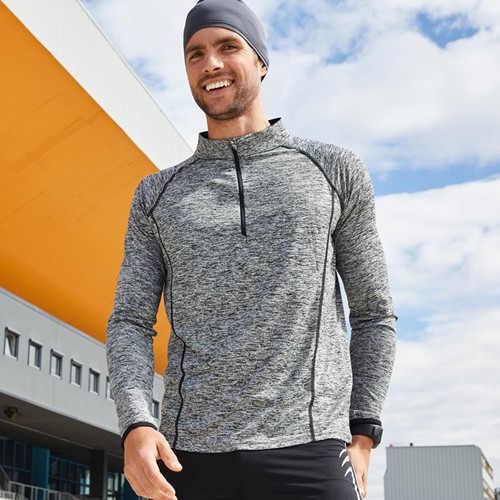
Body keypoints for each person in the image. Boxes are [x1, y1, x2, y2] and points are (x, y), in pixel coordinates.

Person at [106, 0, 397, 498]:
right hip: (188, 454)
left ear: (261, 60)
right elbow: (130, 320)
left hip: (311, 447)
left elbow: (373, 311)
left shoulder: (334, 170)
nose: (211, 63)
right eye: (195, 54)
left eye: (228, 47)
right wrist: (135, 423)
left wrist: (363, 432)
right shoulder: (156, 195)